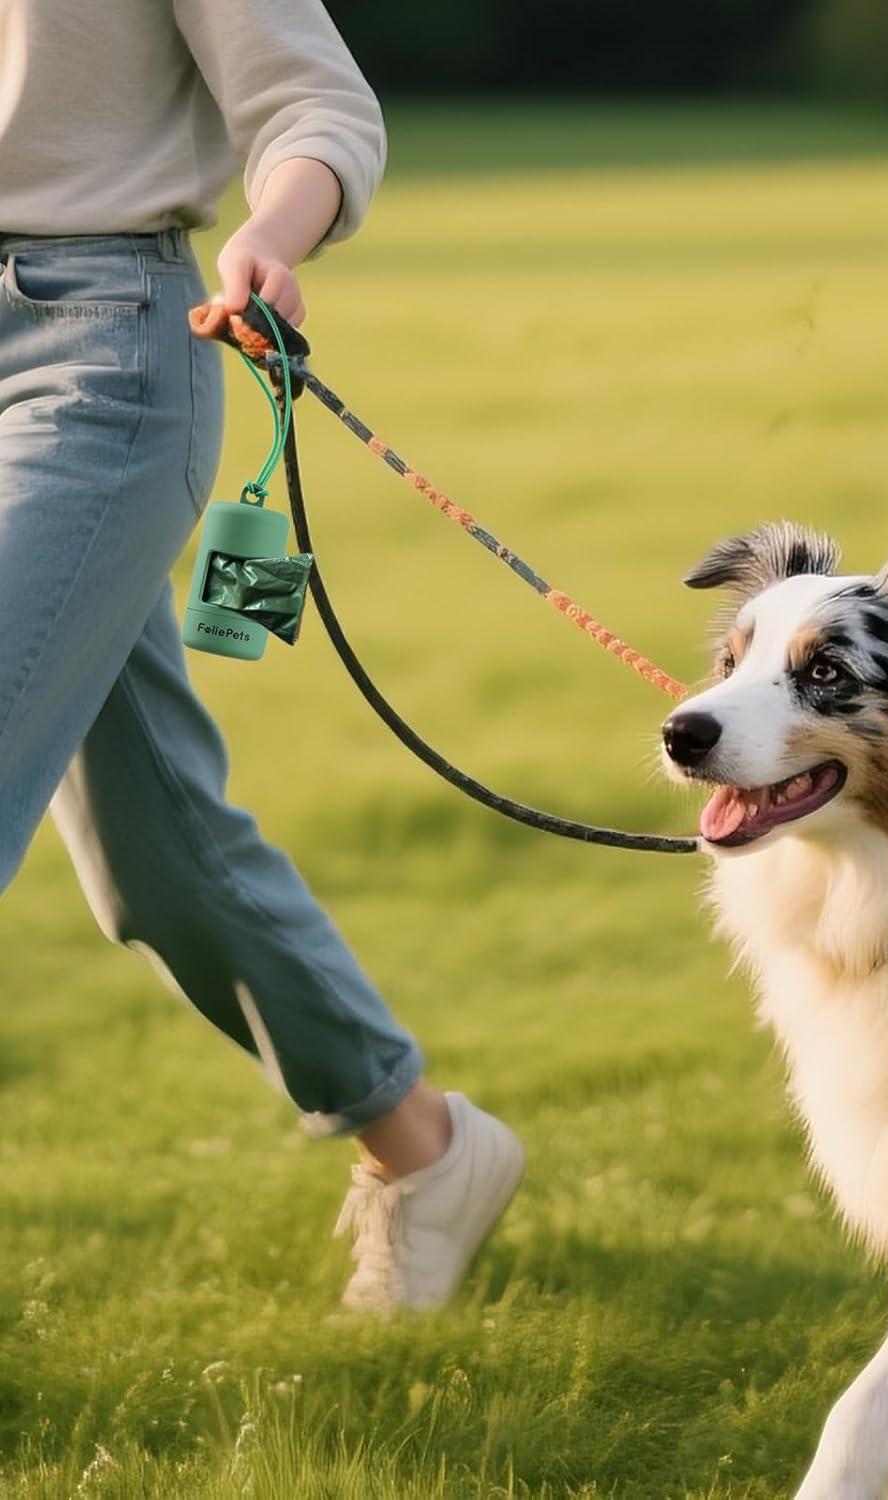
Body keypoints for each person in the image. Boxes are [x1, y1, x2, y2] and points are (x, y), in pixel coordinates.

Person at [0, 0, 525, 1311]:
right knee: (158, 858)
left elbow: (319, 111)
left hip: (96, 360)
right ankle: (428, 1155)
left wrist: (270, 233)